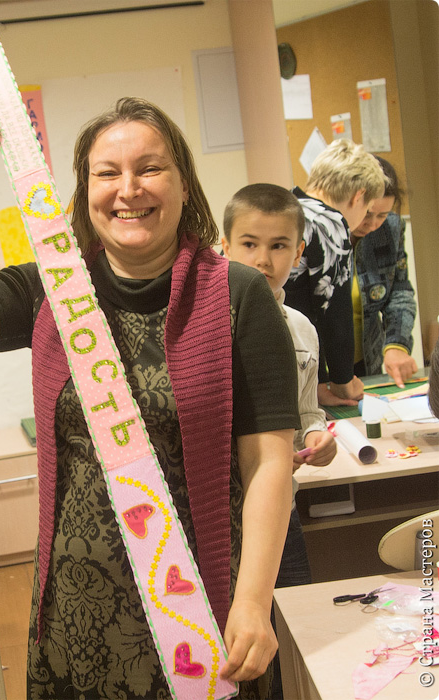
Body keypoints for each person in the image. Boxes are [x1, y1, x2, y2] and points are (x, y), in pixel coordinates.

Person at [0, 86, 301, 699]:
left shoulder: (239, 294)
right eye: (107, 173)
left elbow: (268, 462)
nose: (128, 189)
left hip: (202, 612)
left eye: (151, 169)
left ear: (184, 184)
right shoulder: (51, 289)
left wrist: (252, 601)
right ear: (84, 191)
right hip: (75, 614)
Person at [222, 183, 337, 698]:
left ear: (299, 251)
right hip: (223, 518)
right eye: (249, 244)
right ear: (224, 245)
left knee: (292, 639)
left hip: (282, 514)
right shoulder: (207, 327)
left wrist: (317, 438)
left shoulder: (303, 329)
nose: (263, 260)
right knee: (232, 653)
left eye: (278, 246)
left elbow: (308, 410)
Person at [283, 139, 387, 407]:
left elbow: (302, 302)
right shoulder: (330, 221)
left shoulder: (284, 207)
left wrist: (317, 384)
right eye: (367, 209)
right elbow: (333, 311)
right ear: (358, 196)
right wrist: (344, 381)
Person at [350, 156, 418, 388]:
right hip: (320, 366)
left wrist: (397, 344)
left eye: (382, 215)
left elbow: (400, 292)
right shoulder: (321, 233)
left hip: (367, 362)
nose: (373, 224)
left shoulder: (391, 228)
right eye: (367, 213)